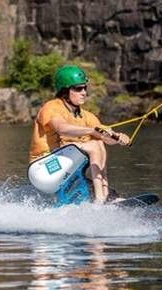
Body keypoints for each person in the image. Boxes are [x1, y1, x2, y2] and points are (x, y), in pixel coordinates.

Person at [29, 65, 130, 203]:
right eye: (78, 89)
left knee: (99, 142)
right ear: (65, 91)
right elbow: (61, 128)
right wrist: (91, 131)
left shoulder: (87, 116)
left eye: (85, 88)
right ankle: (100, 200)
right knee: (94, 144)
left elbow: (107, 138)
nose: (83, 92)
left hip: (63, 170)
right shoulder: (52, 107)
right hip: (43, 170)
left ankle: (105, 194)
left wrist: (118, 138)